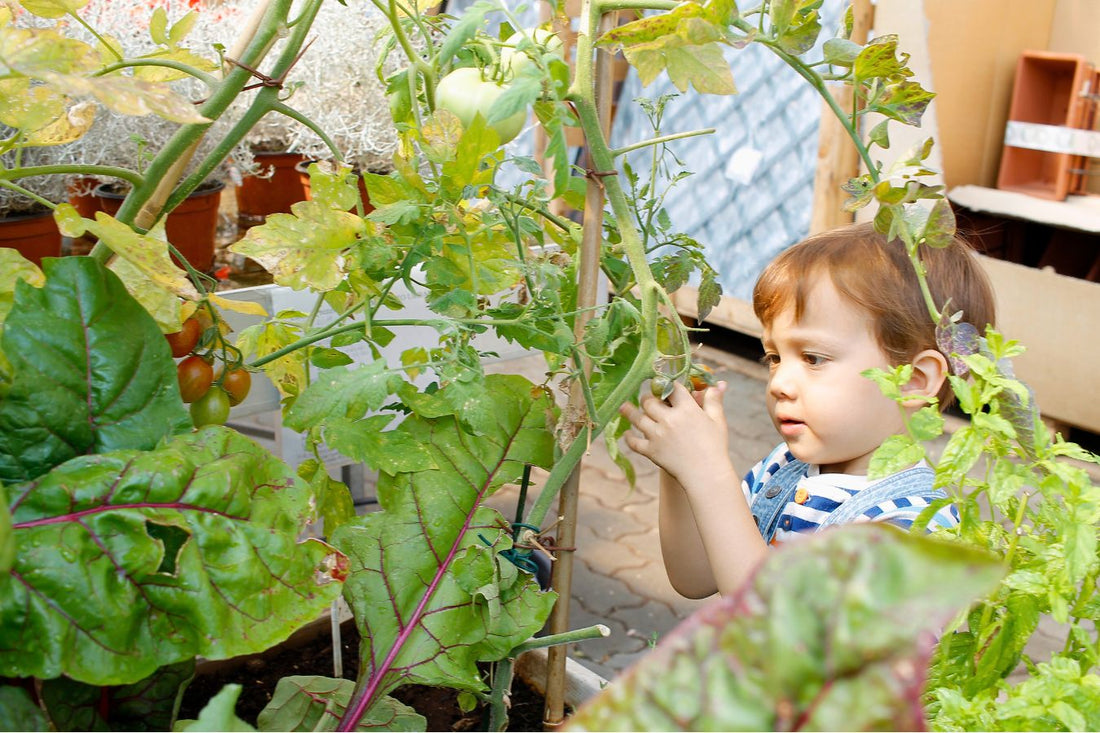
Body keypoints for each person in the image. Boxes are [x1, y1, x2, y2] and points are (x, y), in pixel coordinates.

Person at [619, 222, 997, 599]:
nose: (778, 383)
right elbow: (695, 577)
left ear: (913, 381)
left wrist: (709, 474)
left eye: (813, 358)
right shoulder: (784, 468)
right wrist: (683, 472)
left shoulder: (913, 522)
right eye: (774, 357)